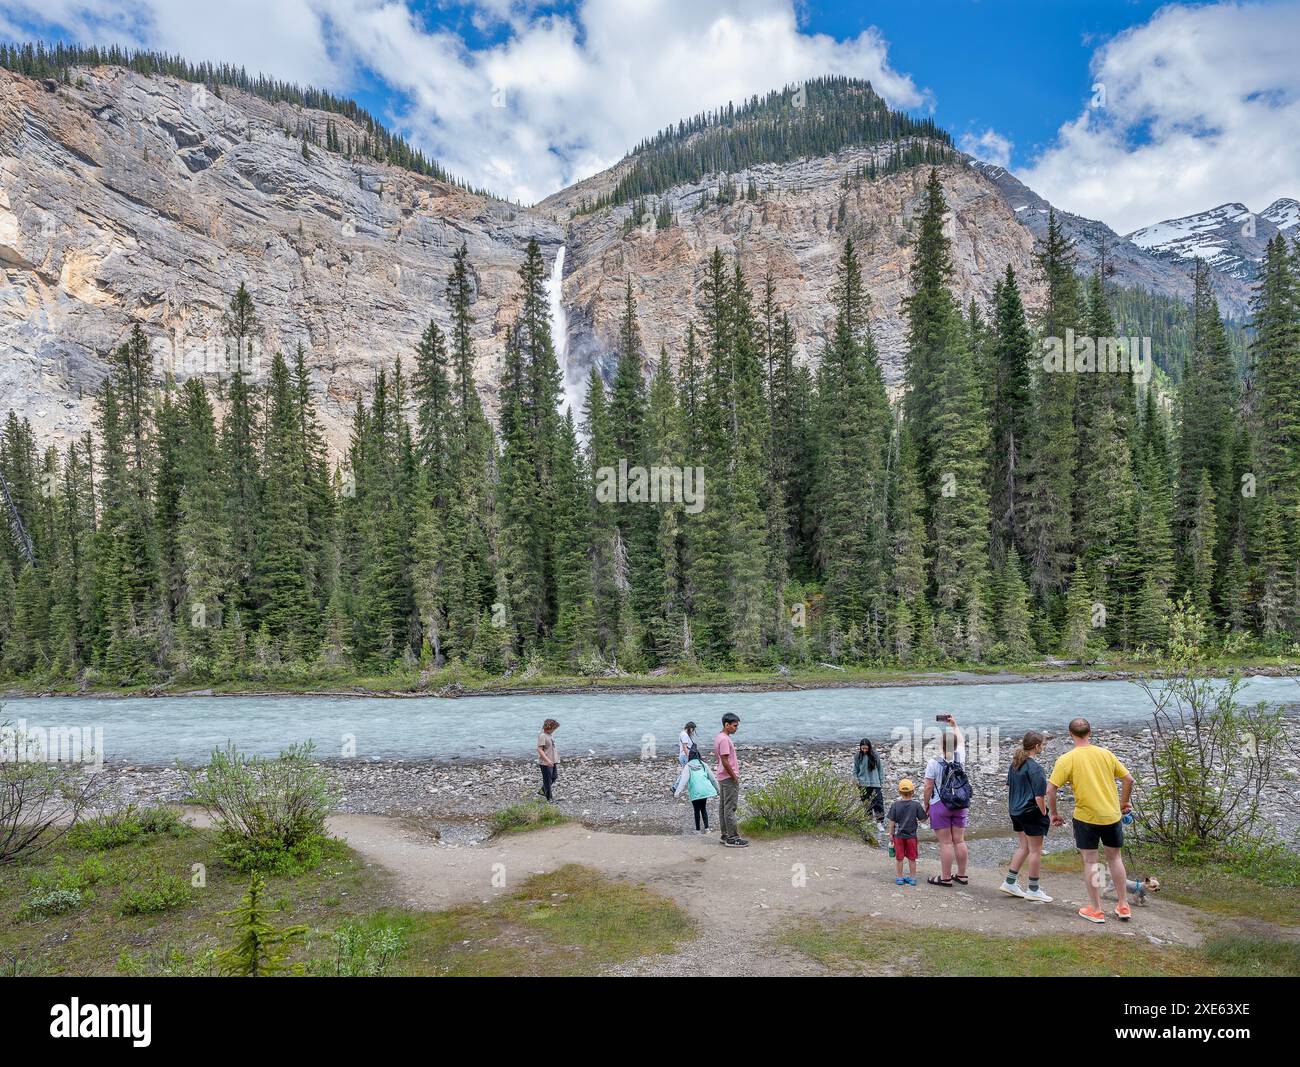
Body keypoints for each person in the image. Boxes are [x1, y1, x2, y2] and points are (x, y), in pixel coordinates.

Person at [1047, 717, 1135, 924]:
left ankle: (1096, 909)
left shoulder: (1067, 759)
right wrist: (1124, 803)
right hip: (1111, 815)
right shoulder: (1106, 754)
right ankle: (1123, 904)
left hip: (1086, 818)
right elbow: (1129, 779)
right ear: (1090, 732)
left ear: (1070, 735)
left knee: (1091, 861)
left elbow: (1051, 789)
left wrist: (1054, 813)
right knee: (1115, 859)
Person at [999, 730, 1053, 902]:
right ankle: (1033, 889)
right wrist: (1045, 813)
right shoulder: (1036, 769)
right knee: (1035, 850)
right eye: (1043, 745)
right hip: (1030, 813)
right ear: (1036, 746)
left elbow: (1008, 785)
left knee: (1024, 847)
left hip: (1015, 811)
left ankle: (1010, 882)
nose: (1043, 748)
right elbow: (1039, 796)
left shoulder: (1015, 764)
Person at [923, 713, 970, 887]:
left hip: (940, 804)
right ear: (956, 744)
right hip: (960, 802)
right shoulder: (961, 756)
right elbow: (961, 741)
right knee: (959, 840)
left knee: (946, 842)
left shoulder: (933, 763)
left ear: (940, 746)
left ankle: (945, 877)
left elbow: (928, 787)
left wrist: (926, 804)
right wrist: (954, 725)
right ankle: (962, 875)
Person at [714, 713, 748, 847]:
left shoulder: (720, 737)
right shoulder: (724, 740)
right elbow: (725, 761)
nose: (736, 728)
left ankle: (725, 835)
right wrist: (734, 777)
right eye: (734, 725)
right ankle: (732, 837)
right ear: (726, 725)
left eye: (737, 725)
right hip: (728, 777)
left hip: (722, 776)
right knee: (730, 808)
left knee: (723, 807)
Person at [886, 779, 926, 885]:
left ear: (899, 792)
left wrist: (891, 834)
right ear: (913, 792)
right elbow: (923, 819)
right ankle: (912, 878)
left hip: (898, 836)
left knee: (899, 858)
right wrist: (929, 811)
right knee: (912, 858)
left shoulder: (895, 805)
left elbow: (892, 821)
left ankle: (899, 878)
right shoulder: (916, 805)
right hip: (911, 836)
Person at [674, 750, 720, 833]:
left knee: (696, 810)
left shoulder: (688, 766)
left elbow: (683, 780)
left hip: (695, 791)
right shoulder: (703, 764)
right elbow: (712, 778)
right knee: (703, 808)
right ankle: (707, 828)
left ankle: (698, 830)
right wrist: (718, 789)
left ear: (689, 756)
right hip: (704, 790)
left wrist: (677, 792)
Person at [853, 738, 886, 830]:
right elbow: (855, 770)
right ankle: (869, 820)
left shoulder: (875, 754)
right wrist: (856, 780)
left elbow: (880, 768)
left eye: (866, 748)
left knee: (878, 803)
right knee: (866, 803)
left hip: (875, 783)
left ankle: (880, 822)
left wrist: (881, 781)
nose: (864, 750)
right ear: (860, 748)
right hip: (863, 784)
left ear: (869, 747)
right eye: (862, 748)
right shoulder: (857, 756)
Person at [536, 719, 559, 802]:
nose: (554, 730)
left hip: (552, 760)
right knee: (547, 780)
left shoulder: (549, 735)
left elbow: (551, 747)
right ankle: (549, 799)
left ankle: (543, 791)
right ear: (549, 727)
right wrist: (547, 760)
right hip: (545, 762)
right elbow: (539, 749)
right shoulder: (542, 735)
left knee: (554, 777)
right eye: (554, 728)